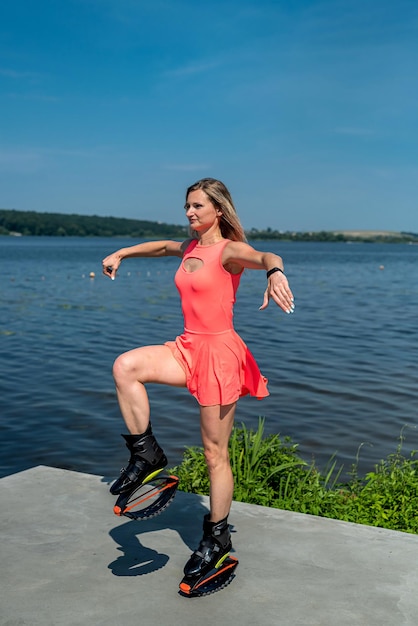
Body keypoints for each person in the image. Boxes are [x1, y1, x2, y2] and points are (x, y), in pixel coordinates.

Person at [102, 178, 294, 585]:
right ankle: (146, 455)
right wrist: (122, 252)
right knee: (125, 367)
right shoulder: (190, 247)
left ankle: (218, 538)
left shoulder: (229, 251)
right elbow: (159, 246)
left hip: (220, 357)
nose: (189, 213)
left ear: (218, 211)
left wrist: (275, 272)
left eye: (197, 207)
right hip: (187, 348)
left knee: (214, 454)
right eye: (187, 206)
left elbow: (266, 254)